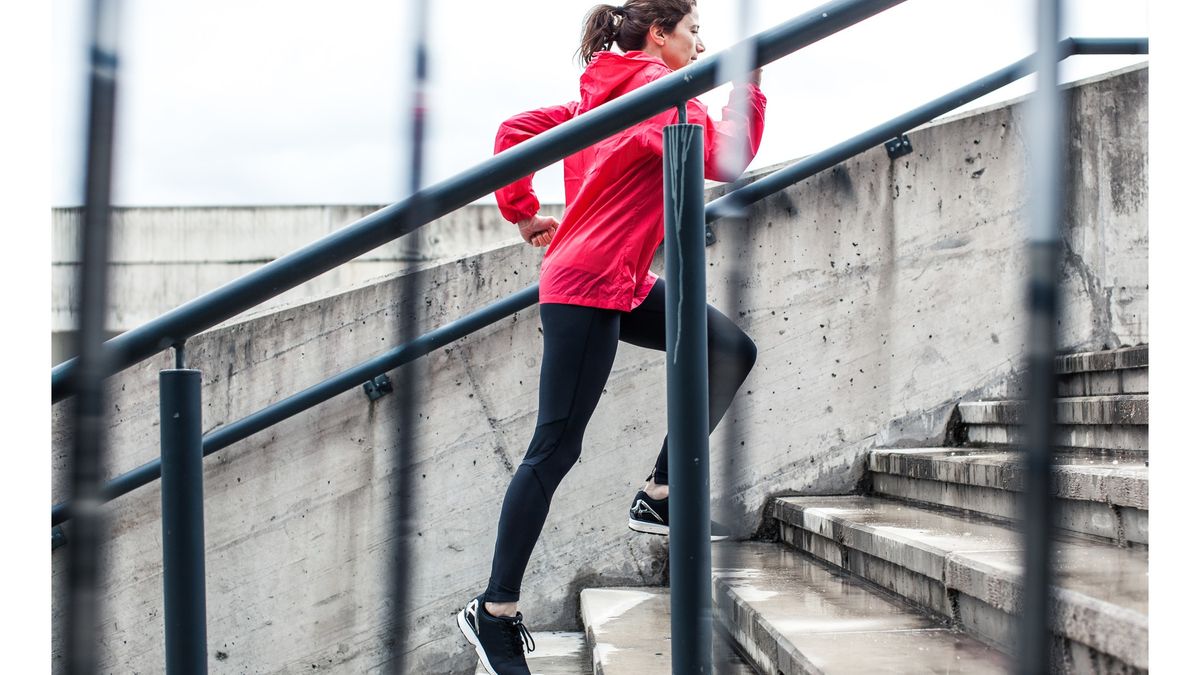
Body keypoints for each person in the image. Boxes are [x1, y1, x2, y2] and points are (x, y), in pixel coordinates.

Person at [457, 1, 765, 672]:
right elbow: (726, 156)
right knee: (554, 447)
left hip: (620, 281)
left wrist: (525, 214)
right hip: (587, 287)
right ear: (659, 35)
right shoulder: (655, 90)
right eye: (693, 32)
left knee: (729, 348)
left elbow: (514, 131)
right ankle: (494, 610)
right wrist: (750, 82)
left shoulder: (600, 101)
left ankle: (658, 495)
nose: (700, 43)